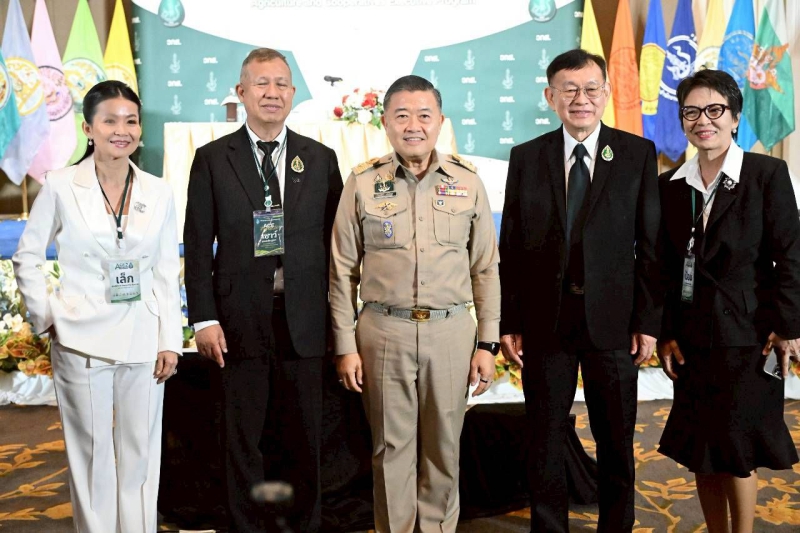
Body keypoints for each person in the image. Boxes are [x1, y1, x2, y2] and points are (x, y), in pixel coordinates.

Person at [498, 49, 662, 533]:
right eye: (569, 90)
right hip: (545, 322)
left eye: (591, 88)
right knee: (544, 438)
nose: (581, 99)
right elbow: (512, 246)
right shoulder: (527, 156)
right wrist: (510, 320)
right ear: (550, 96)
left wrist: (647, 321)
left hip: (614, 322)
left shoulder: (636, 153)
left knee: (616, 439)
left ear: (606, 93)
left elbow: (651, 247)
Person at [329, 74, 500, 532]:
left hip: (450, 332)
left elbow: (485, 269)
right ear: (385, 122)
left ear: (440, 121)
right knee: (391, 451)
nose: (413, 125)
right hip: (384, 332)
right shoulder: (363, 182)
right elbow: (342, 272)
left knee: (444, 449)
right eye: (401, 115)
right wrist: (345, 345)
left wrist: (488, 344)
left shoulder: (467, 182)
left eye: (424, 115)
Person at [183, 48, 343, 533]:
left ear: (292, 93)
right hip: (238, 320)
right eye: (261, 83)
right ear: (241, 92)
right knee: (242, 439)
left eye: (281, 84)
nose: (272, 93)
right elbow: (197, 245)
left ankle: (304, 525)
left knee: (305, 437)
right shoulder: (213, 159)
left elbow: (338, 247)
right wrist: (204, 318)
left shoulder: (319, 159)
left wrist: (342, 321)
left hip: (305, 319)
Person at [12, 80, 182, 533]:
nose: (121, 130)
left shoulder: (159, 191)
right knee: (92, 457)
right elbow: (28, 255)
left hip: (143, 336)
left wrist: (169, 339)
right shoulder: (61, 185)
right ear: (88, 128)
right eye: (110, 121)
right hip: (80, 336)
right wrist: (46, 316)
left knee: (140, 454)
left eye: (131, 121)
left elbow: (166, 271)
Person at [657, 69, 800, 533]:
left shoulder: (766, 174)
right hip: (692, 340)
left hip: (750, 336)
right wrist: (667, 332)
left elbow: (791, 254)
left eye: (715, 110)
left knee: (739, 451)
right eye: (692, 112)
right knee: (702, 450)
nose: (703, 120)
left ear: (735, 117)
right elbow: (664, 267)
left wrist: (789, 326)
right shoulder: (670, 184)